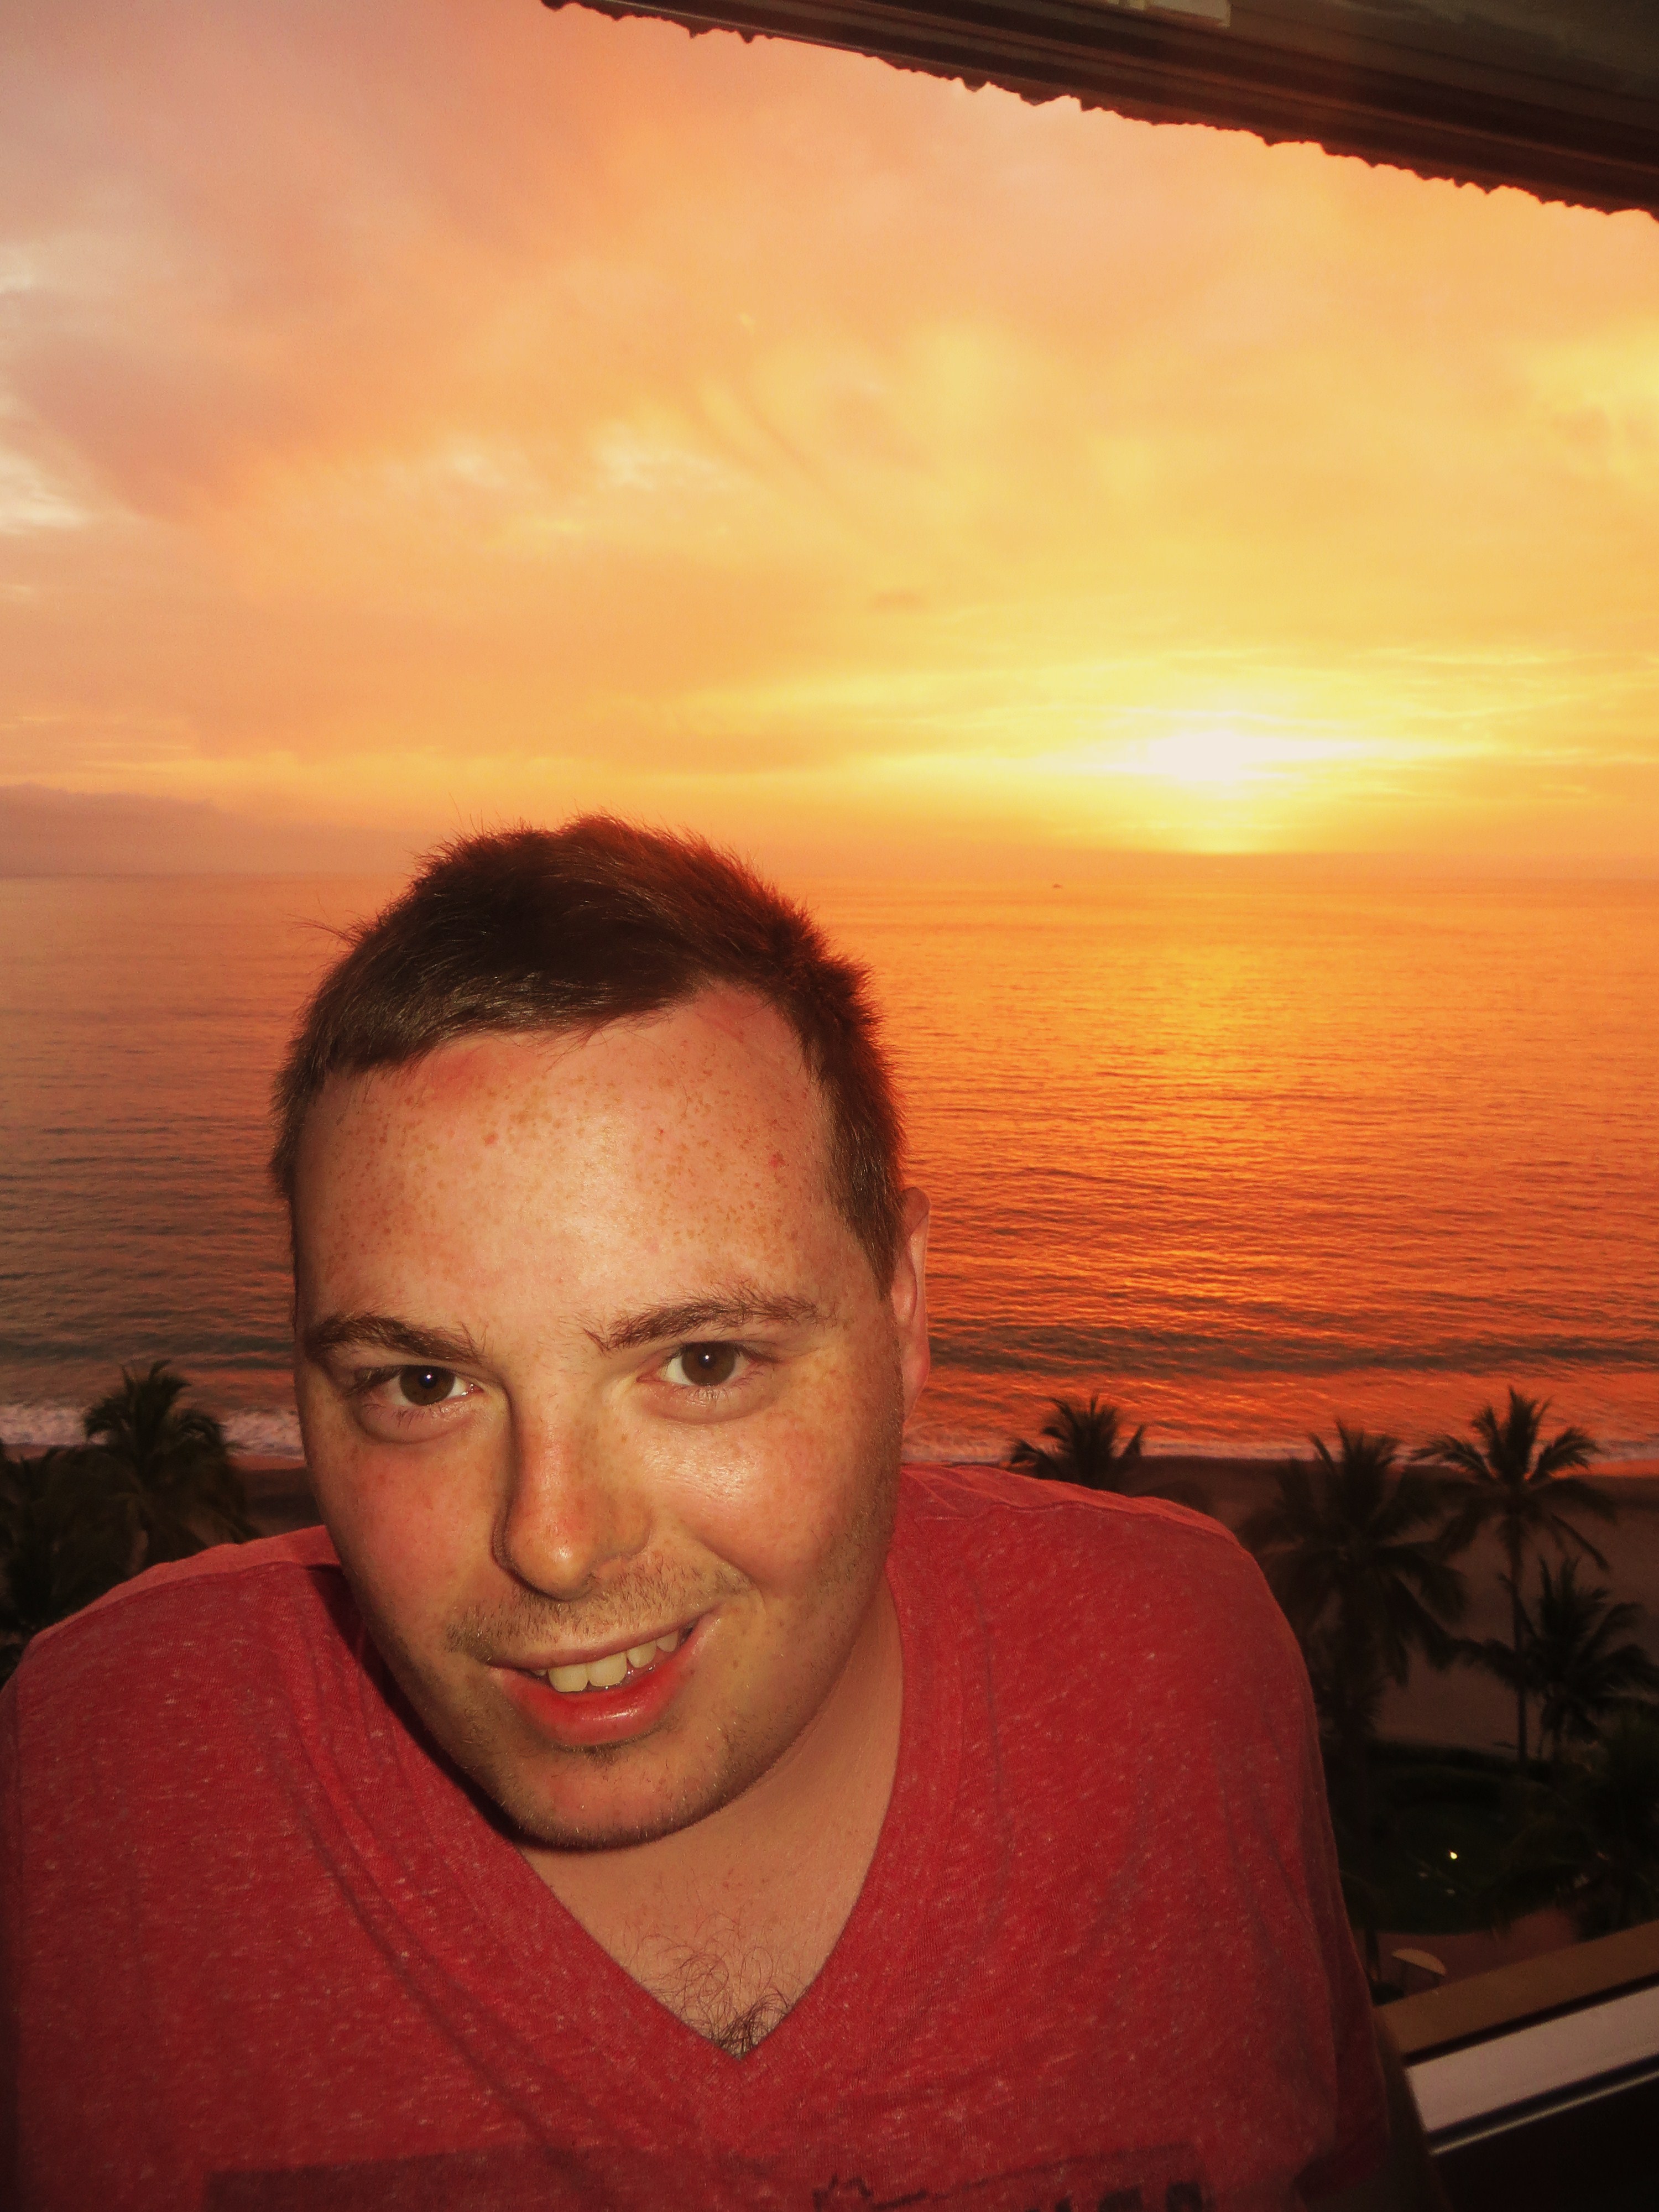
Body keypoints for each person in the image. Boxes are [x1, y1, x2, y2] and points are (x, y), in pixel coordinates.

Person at [1, 820, 1439, 2211]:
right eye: (425, 1383)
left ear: (902, 1308)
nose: (554, 1545)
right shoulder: (99, 1784)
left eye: (699, 1363)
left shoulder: (1179, 1665)